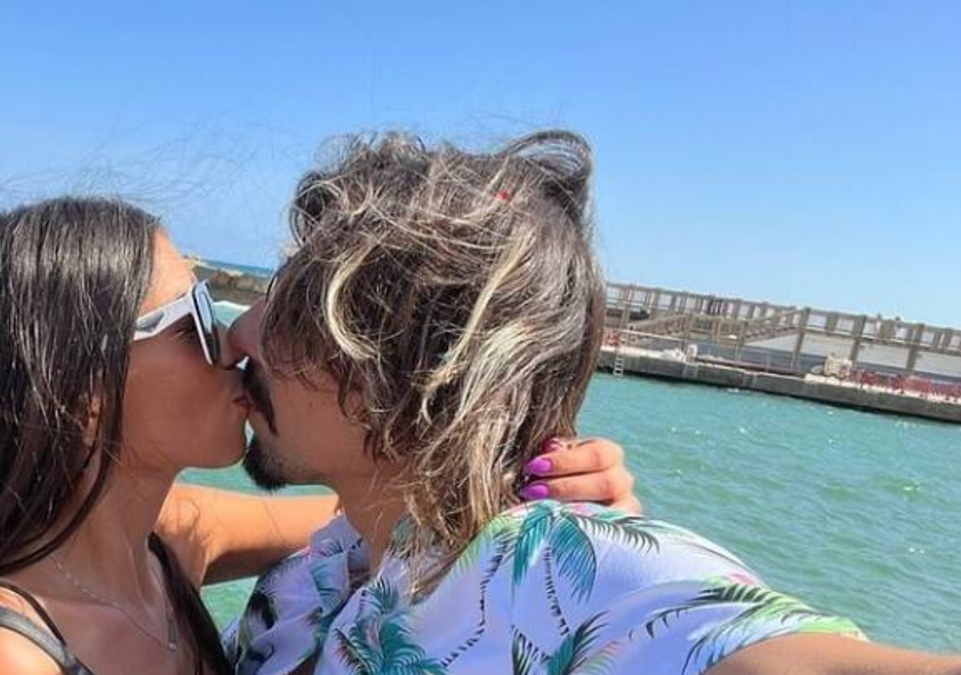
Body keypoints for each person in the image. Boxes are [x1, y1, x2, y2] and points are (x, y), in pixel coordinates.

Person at [225, 131, 961, 675]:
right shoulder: (325, 564)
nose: (240, 332)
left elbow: (763, 653)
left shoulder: (550, 570)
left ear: (424, 366)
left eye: (292, 309)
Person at [0, 197, 639, 675]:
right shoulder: (1, 655)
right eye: (191, 315)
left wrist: (542, 492)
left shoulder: (162, 540)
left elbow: (376, 509)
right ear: (77, 388)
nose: (230, 339)